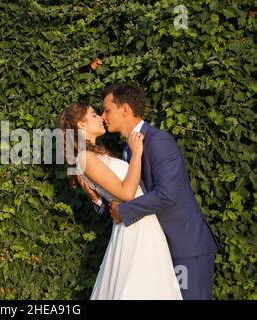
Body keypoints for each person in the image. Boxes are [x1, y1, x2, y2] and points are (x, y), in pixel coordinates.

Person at [79, 83, 220, 299]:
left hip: (184, 246)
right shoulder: (128, 148)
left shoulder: (158, 141)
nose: (104, 116)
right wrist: (98, 201)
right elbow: (132, 193)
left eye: (107, 110)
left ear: (124, 109)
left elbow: (167, 195)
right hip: (154, 247)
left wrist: (124, 211)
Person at [59, 102, 182, 300]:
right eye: (93, 115)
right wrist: (138, 154)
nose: (101, 117)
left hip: (142, 222)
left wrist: (99, 199)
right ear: (80, 125)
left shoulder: (94, 153)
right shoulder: (84, 158)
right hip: (136, 227)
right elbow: (127, 194)